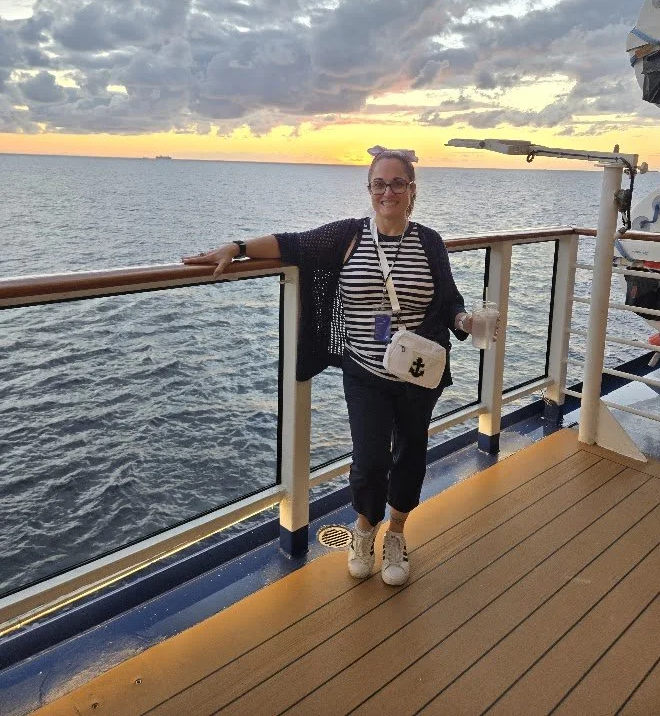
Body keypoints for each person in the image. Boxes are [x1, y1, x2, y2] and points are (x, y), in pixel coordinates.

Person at [182, 146, 479, 587]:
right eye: (380, 184)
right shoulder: (348, 236)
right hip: (365, 371)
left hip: (418, 371)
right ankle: (365, 530)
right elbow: (291, 244)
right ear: (369, 189)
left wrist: (464, 321)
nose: (388, 192)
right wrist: (238, 247)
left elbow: (449, 299)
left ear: (412, 189)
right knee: (370, 460)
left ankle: (397, 535)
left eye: (398, 183)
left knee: (411, 453)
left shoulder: (429, 241)